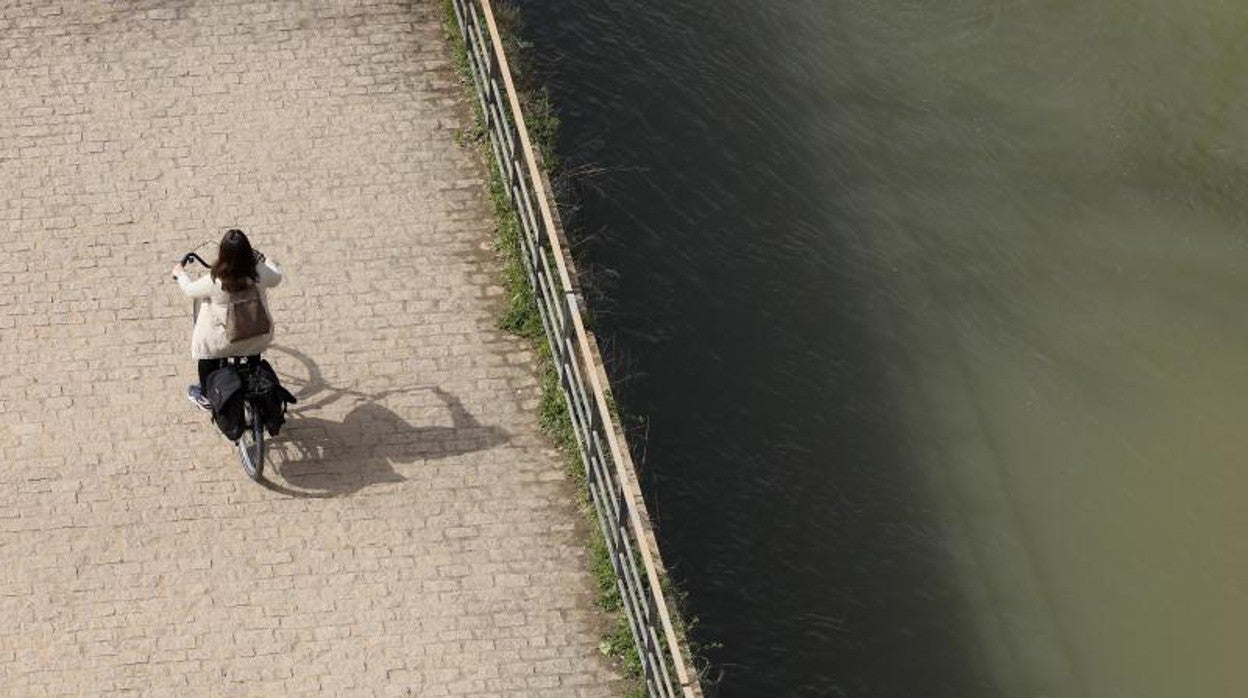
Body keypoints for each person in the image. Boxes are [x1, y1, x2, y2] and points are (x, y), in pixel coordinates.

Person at [172, 229, 283, 410]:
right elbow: (277, 277)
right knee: (252, 348)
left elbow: (189, 291)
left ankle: (206, 395)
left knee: (207, 357)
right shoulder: (260, 272)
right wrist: (268, 260)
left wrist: (180, 273)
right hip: (256, 336)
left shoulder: (215, 280)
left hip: (222, 343)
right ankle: (254, 371)